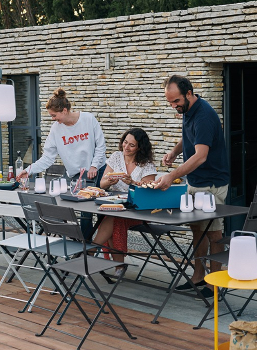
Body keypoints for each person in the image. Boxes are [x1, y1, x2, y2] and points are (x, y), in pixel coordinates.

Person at [154, 75, 229, 299]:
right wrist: (175, 152)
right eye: (170, 102)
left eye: (176, 101)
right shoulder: (189, 110)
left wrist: (171, 176)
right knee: (197, 229)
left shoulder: (204, 115)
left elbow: (201, 156)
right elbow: (189, 137)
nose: (174, 107)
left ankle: (215, 285)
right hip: (195, 182)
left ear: (188, 94)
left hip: (212, 184)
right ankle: (198, 277)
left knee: (214, 233)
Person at [16, 87, 106, 239]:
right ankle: (84, 248)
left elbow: (101, 146)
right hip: (77, 175)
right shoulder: (56, 129)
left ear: (64, 110)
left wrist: (94, 165)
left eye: (54, 115)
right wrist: (29, 170)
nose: (53, 119)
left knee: (97, 213)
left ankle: (98, 248)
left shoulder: (88, 119)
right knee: (82, 213)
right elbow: (47, 158)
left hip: (98, 171)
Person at [93, 128, 157, 276]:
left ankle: (92, 249)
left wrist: (132, 182)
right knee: (114, 216)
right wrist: (109, 181)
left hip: (138, 210)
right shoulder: (116, 156)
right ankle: (118, 265)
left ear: (140, 147)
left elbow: (148, 192)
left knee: (115, 218)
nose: (126, 147)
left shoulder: (147, 165)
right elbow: (101, 185)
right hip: (115, 205)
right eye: (125, 142)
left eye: (131, 145)